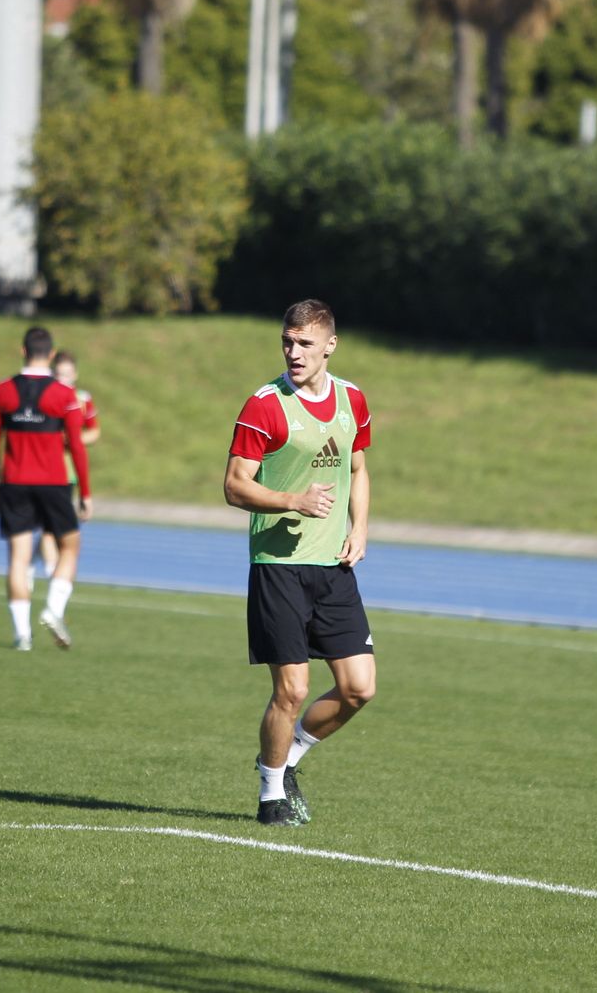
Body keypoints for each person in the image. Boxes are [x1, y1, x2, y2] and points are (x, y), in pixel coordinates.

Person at [223, 299, 374, 827]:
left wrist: (359, 527)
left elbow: (357, 467)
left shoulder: (353, 398)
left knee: (360, 688)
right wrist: (293, 500)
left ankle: (287, 760)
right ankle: (270, 799)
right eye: (288, 342)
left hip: (333, 567)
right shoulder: (264, 405)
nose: (294, 352)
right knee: (292, 689)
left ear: (330, 345)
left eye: (305, 343)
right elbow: (234, 486)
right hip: (278, 565)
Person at [0, 326, 93, 652]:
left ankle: (22, 636)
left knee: (18, 559)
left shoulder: (1, 392)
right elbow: (76, 446)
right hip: (54, 483)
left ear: (22, 351)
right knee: (70, 548)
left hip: (14, 483)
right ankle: (53, 610)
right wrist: (85, 492)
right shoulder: (64, 395)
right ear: (51, 353)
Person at [38, 350, 99, 577]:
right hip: (46, 467)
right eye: (59, 374)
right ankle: (53, 573)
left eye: (67, 375)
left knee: (63, 527)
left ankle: (44, 562)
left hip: (69, 470)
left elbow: (94, 432)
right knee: (48, 526)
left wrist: (74, 439)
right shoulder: (44, 396)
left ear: (75, 375)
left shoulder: (82, 399)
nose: (63, 379)